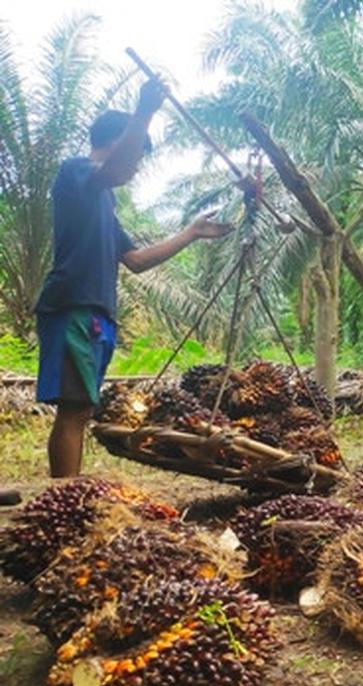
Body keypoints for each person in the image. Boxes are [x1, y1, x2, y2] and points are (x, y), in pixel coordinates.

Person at [35, 79, 233, 478]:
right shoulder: (77, 171)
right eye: (139, 155)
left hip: (96, 314)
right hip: (74, 306)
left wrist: (190, 233)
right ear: (114, 140)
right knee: (73, 410)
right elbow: (118, 170)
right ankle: (66, 495)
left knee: (81, 408)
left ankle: (69, 490)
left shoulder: (104, 204)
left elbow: (137, 261)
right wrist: (144, 112)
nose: (137, 166)